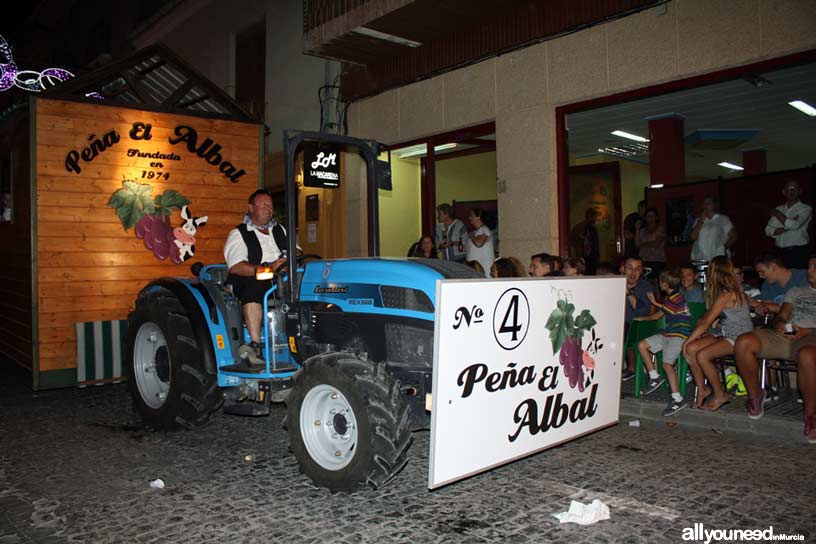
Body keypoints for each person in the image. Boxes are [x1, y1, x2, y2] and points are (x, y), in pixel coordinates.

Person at [734, 255, 816, 423]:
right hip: (787, 334)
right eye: (809, 266)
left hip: (810, 337)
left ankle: (810, 416)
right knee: (744, 342)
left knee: (807, 355)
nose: (809, 271)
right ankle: (756, 394)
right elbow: (783, 315)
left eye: (814, 267)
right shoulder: (796, 291)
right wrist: (779, 323)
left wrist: (808, 331)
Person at [224, 189, 293, 366]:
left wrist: (290, 259)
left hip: (283, 277)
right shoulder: (239, 233)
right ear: (251, 208)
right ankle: (254, 345)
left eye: (270, 205)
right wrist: (268, 269)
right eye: (263, 204)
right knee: (254, 287)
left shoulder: (280, 230)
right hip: (255, 278)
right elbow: (237, 266)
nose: (268, 208)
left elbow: (296, 251)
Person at [682, 257, 753, 411]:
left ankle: (720, 394)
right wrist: (689, 343)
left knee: (702, 355)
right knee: (691, 349)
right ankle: (702, 390)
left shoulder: (727, 294)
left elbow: (706, 322)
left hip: (739, 337)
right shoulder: (727, 292)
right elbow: (707, 318)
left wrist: (687, 341)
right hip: (725, 333)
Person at [636, 268, 692, 415]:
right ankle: (654, 377)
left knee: (667, 364)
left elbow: (670, 310)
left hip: (678, 336)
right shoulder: (669, 300)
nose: (659, 284)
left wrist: (655, 302)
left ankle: (677, 398)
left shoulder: (678, 297)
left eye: (661, 282)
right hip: (668, 334)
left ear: (665, 284)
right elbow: (657, 316)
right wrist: (639, 319)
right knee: (642, 345)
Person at [622, 256, 657, 381]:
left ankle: (632, 368)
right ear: (622, 269)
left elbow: (643, 311)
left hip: (641, 325)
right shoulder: (615, 283)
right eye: (629, 268)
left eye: (637, 269)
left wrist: (628, 293)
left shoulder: (645, 287)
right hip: (622, 324)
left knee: (623, 329)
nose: (633, 273)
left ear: (642, 271)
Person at [764, 179, 812, 269]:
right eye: (789, 188)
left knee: (798, 280)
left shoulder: (805, 208)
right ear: (784, 192)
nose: (792, 191)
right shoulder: (779, 208)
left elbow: (795, 225)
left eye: (794, 188)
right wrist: (787, 226)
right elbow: (768, 230)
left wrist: (778, 214)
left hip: (797, 252)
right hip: (779, 252)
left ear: (800, 191)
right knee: (779, 281)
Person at [752, 252, 808, 316]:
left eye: (762, 272)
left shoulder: (804, 277)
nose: (760, 276)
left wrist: (773, 307)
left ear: (773, 266)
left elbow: (806, 309)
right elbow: (768, 310)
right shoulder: (766, 285)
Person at [690, 197, 736, 262]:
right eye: (704, 203)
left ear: (714, 206)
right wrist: (701, 221)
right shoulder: (698, 220)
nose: (706, 206)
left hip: (717, 258)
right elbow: (693, 237)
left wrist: (723, 248)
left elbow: (734, 236)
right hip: (700, 257)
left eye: (708, 203)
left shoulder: (723, 218)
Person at [464, 208, 494, 278]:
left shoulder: (484, 229)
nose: (469, 218)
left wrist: (471, 236)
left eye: (471, 215)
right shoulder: (477, 231)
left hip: (484, 271)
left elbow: (479, 243)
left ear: (478, 217)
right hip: (477, 271)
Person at [636, 207, 666, 277]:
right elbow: (637, 245)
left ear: (656, 217)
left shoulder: (660, 228)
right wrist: (637, 229)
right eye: (648, 216)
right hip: (644, 260)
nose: (650, 218)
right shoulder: (642, 230)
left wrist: (642, 244)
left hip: (657, 261)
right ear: (645, 218)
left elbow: (656, 244)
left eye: (652, 216)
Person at [570, 208, 600, 275]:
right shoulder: (590, 228)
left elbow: (571, 241)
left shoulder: (579, 226)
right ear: (593, 216)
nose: (596, 219)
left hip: (581, 257)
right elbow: (594, 245)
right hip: (589, 258)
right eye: (596, 216)